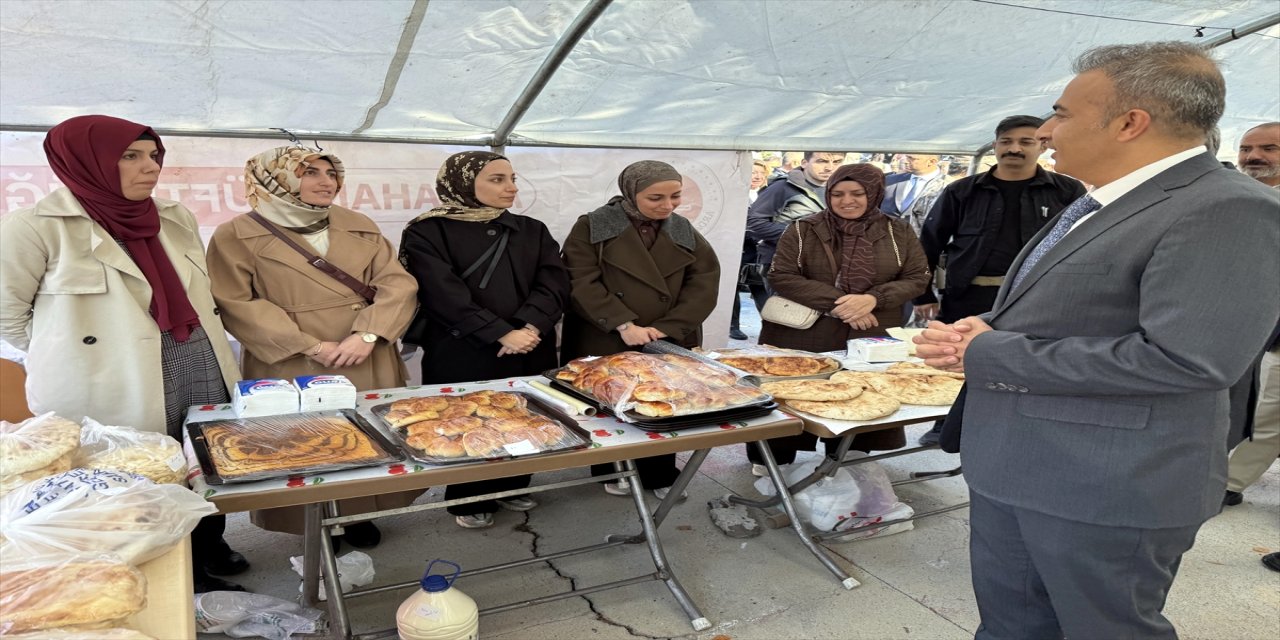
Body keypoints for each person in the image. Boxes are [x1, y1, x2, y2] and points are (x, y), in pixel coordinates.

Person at [915, 42, 1280, 639]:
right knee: (1015, 626)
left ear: (1130, 123)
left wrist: (987, 352)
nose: (1048, 130)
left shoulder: (1227, 208)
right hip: (1021, 467)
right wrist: (988, 328)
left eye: (1061, 113)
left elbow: (1188, 359)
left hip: (1105, 488)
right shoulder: (1099, 201)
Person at [0, 115, 247, 593]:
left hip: (196, 356)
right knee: (138, 477)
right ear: (85, 162)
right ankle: (182, 579)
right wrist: (73, 356)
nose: (150, 167)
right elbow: (7, 317)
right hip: (111, 376)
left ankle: (208, 542)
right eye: (130, 156)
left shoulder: (174, 217)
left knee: (201, 456)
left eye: (153, 155)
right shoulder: (35, 227)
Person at [207, 145, 419, 547]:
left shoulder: (357, 223)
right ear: (276, 178)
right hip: (292, 359)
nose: (327, 181)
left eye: (330, 172)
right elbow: (234, 301)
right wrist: (309, 345)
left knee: (369, 434)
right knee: (303, 442)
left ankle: (360, 512)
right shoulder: (235, 234)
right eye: (309, 172)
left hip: (365, 351)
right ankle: (313, 521)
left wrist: (369, 334)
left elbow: (397, 283)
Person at [400, 151, 570, 529]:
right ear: (462, 183)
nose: (510, 188)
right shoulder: (427, 231)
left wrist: (530, 327)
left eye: (512, 178)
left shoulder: (531, 228)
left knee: (524, 416)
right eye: (496, 179)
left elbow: (554, 281)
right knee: (466, 422)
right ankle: (466, 498)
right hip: (463, 348)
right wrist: (499, 332)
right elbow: (440, 292)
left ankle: (513, 484)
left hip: (529, 344)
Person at [912, 116, 1086, 446]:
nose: (1014, 148)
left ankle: (1016, 429)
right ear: (995, 146)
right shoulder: (962, 191)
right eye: (1006, 141)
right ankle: (945, 426)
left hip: (1035, 300)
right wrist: (923, 296)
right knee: (953, 361)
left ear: (1042, 145)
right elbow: (929, 244)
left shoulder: (1067, 191)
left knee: (1022, 363)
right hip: (968, 297)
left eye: (1025, 141)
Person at [748, 163, 930, 472]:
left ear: (874, 194)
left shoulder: (896, 230)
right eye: (837, 194)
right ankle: (773, 463)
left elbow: (917, 277)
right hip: (804, 334)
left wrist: (873, 299)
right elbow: (781, 275)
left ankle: (847, 458)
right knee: (793, 395)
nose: (847, 201)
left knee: (860, 397)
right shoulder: (804, 228)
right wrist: (844, 305)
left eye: (857, 193)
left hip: (869, 333)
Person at [560, 160, 720, 499]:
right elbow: (580, 281)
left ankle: (660, 472)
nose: (667, 206)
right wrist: (624, 324)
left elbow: (704, 282)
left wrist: (667, 327)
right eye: (655, 198)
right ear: (631, 193)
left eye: (675, 196)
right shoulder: (594, 226)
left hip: (666, 337)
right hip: (605, 332)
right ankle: (609, 469)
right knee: (612, 403)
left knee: (662, 403)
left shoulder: (682, 229)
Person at [1223, 122, 1280, 507]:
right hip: (1250, 331)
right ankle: (1228, 482)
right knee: (1263, 413)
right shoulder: (1237, 198)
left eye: (1269, 148)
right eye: (1246, 148)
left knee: (1268, 411)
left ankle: (1227, 482)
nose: (1253, 157)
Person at [747, 151, 843, 276]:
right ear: (804, 163)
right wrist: (799, 235)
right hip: (785, 264)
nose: (830, 167)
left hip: (825, 266)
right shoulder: (783, 187)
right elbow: (753, 223)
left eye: (837, 162)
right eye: (822, 161)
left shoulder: (843, 190)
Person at [730, 160, 771, 339]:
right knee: (732, 289)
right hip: (739, 249)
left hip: (761, 251)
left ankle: (770, 324)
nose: (757, 176)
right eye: (753, 172)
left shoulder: (767, 194)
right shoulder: (735, 195)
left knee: (761, 287)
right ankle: (733, 326)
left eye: (761, 173)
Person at [880, 154, 947, 236]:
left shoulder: (947, 187)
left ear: (931, 162)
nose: (905, 161)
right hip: (886, 241)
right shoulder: (890, 180)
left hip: (922, 244)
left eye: (911, 158)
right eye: (907, 156)